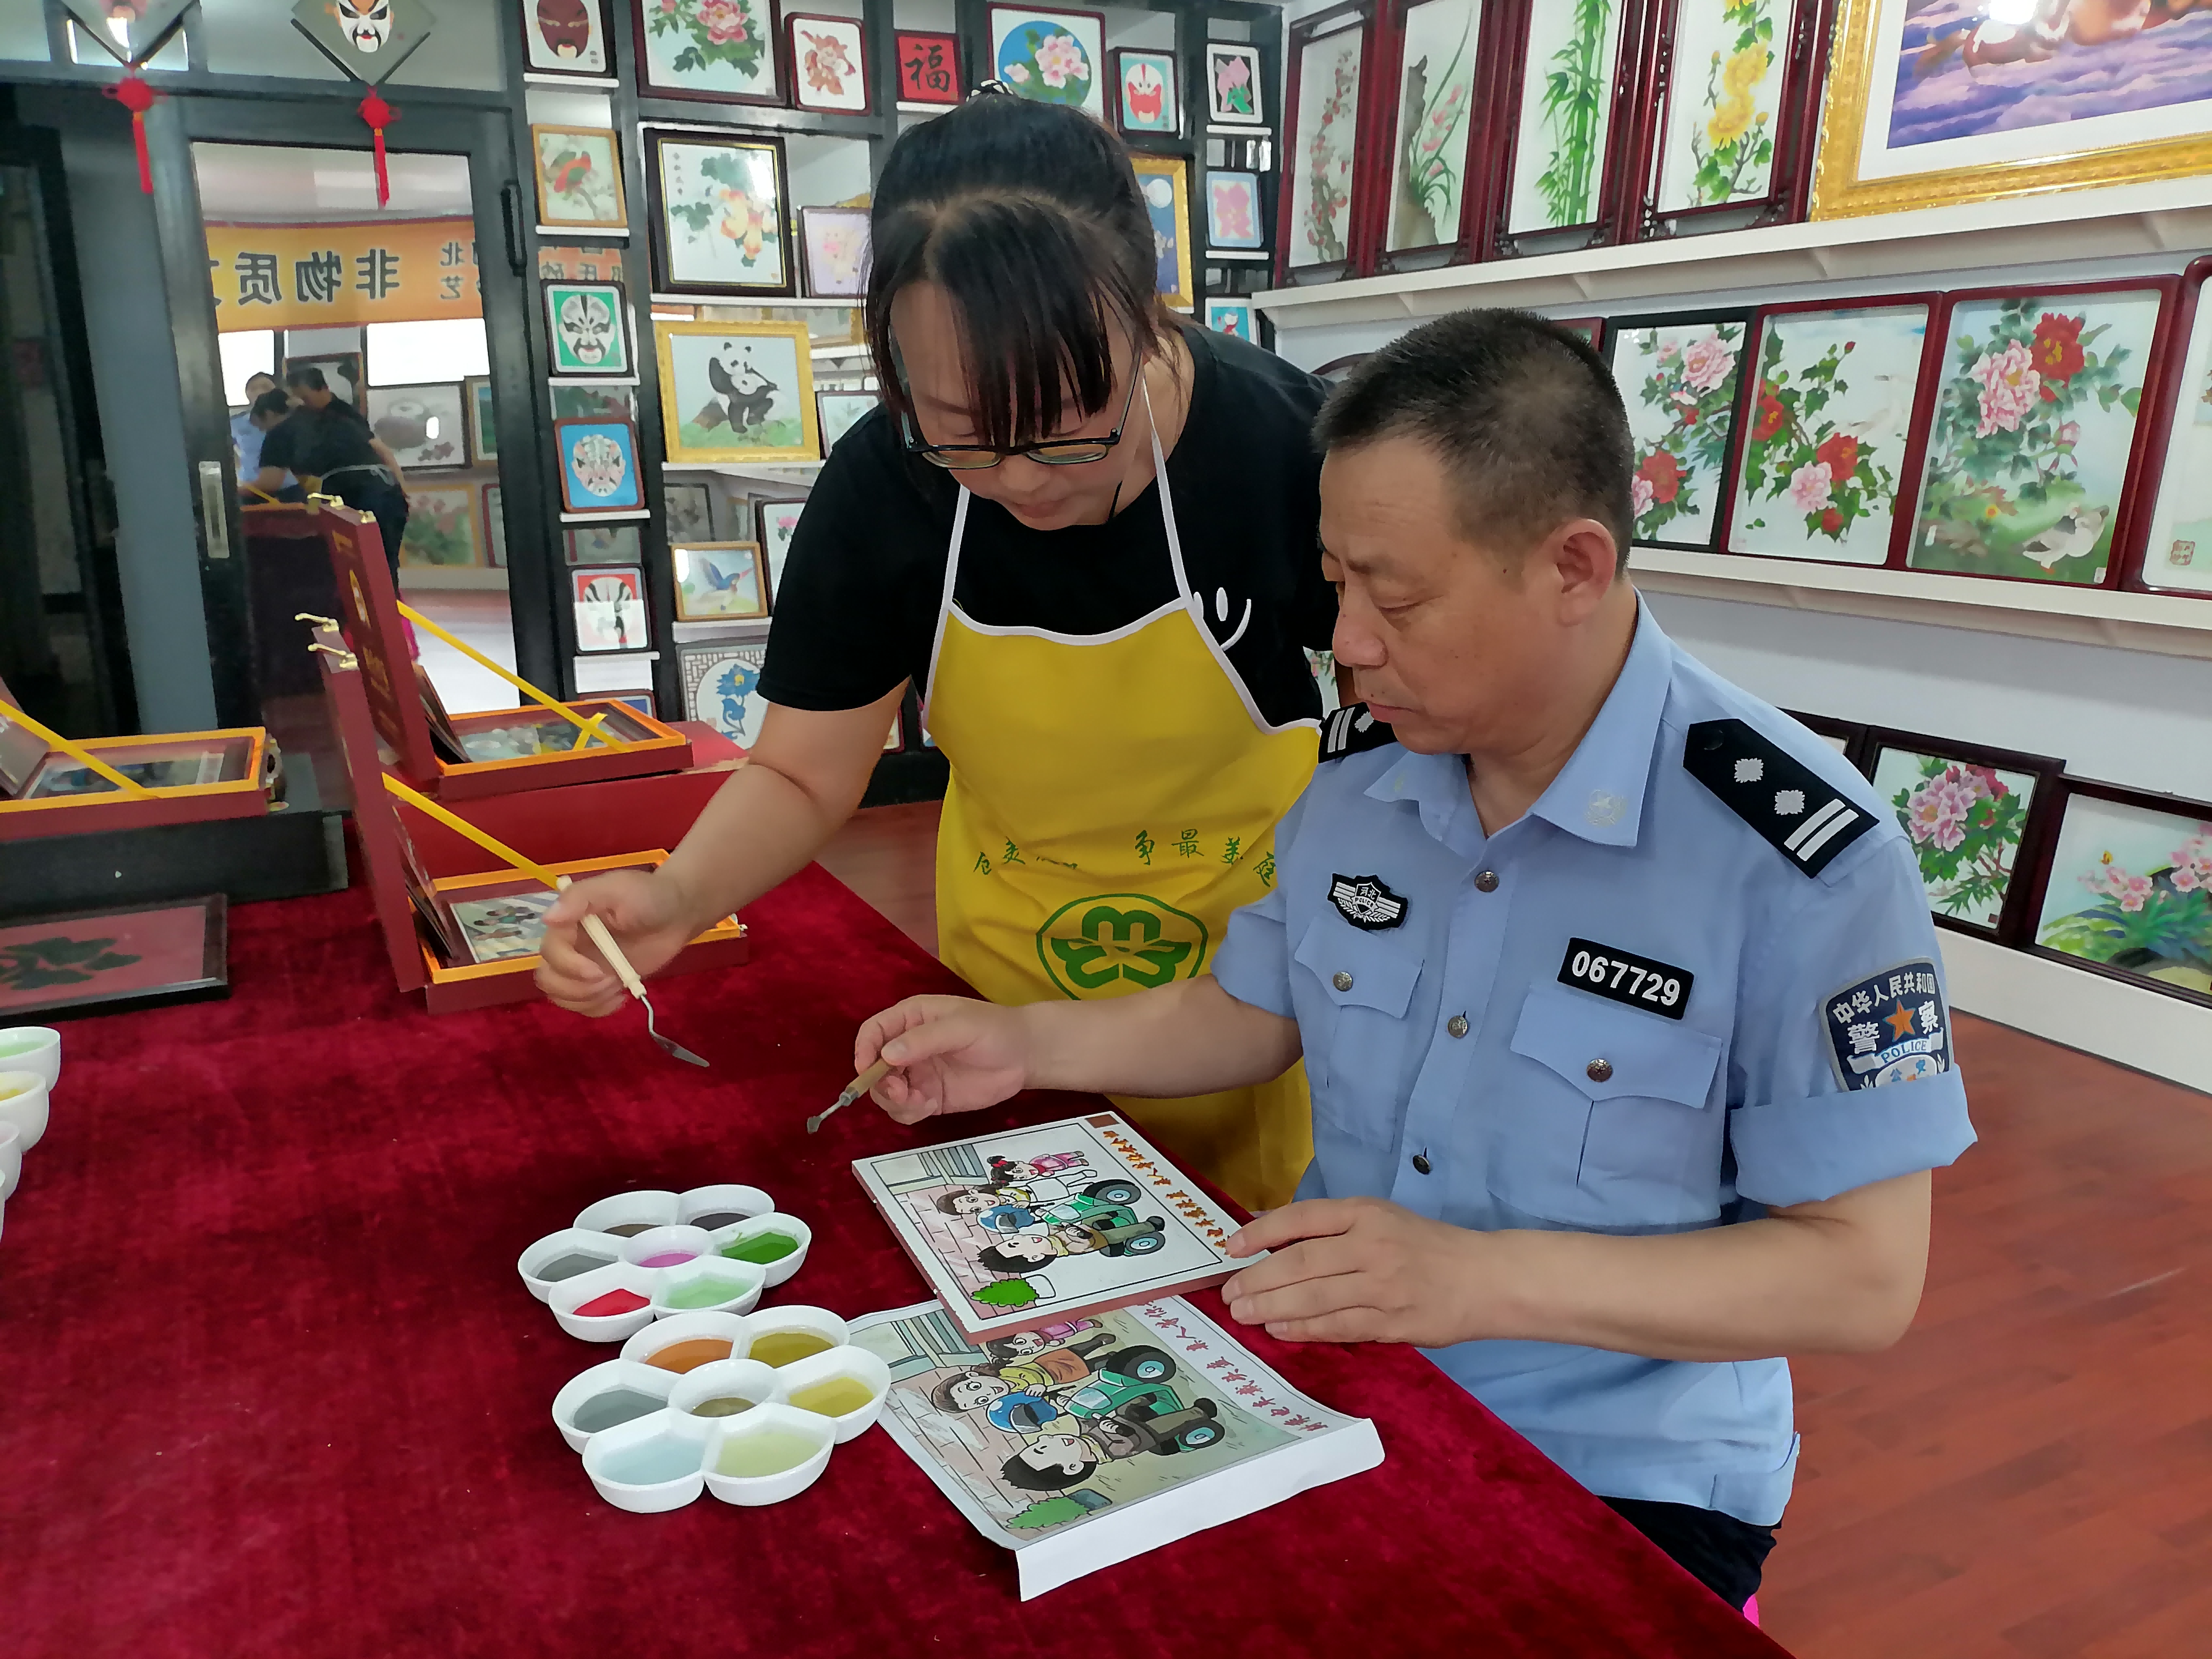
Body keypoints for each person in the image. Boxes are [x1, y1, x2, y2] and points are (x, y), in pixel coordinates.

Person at [844, 311, 1978, 1613]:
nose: (1350, 641)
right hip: (1331, 1375)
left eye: (1396, 597)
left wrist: (1472, 1279)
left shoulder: (1793, 856)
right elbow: (1248, 1010)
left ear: (1572, 565)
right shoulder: (1359, 775)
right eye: (1334, 583)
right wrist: (1024, 1040)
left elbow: (1861, 1275)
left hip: (1614, 1462)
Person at [535, 90, 1340, 1211]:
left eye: (1070, 425)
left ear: (1147, 312)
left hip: (1252, 989)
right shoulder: (885, 484)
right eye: (960, 431)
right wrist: (677, 897)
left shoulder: (1283, 451)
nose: (1017, 479)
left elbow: (1418, 738)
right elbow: (803, 769)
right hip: (996, 1001)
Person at [242, 366, 410, 574]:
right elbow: (380, 449)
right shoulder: (335, 417)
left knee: (356, 568)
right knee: (384, 566)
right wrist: (402, 487)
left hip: (353, 496)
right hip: (389, 492)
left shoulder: (278, 433)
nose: (263, 432)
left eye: (261, 426)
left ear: (268, 415)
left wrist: (232, 489)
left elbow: (271, 483)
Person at [228, 372, 293, 496]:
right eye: (253, 388)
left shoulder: (288, 421)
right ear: (247, 393)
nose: (259, 392)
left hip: (285, 488)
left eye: (265, 387)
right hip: (249, 489)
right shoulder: (235, 423)